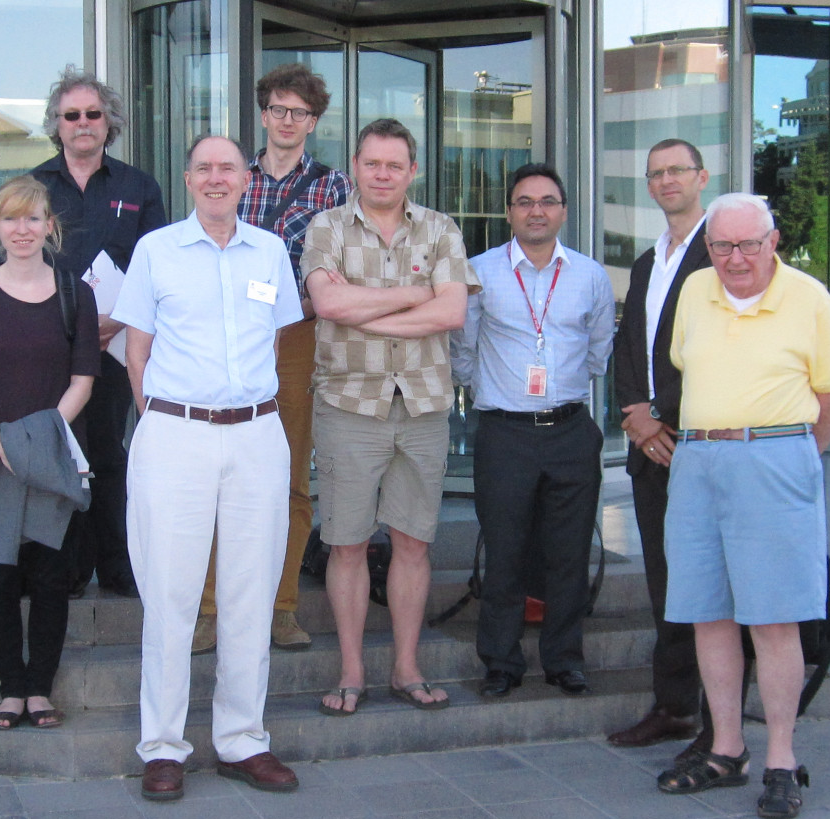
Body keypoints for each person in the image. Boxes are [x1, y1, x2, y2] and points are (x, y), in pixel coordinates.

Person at [117, 135, 304, 801]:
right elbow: (135, 352)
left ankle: (242, 740)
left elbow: (276, 340)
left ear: (246, 179)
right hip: (176, 435)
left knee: (251, 592)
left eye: (229, 167)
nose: (217, 178)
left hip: (256, 435)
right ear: (189, 179)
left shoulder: (272, 251)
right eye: (205, 168)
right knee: (170, 595)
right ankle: (164, 746)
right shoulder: (155, 251)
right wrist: (173, 417)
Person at [655, 193, 830, 819]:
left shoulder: (810, 298)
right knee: (707, 612)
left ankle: (782, 761)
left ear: (774, 241)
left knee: (774, 619)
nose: (734, 258)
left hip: (773, 455)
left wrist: (793, 458)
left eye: (748, 244)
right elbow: (683, 365)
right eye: (721, 246)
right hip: (697, 462)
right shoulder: (695, 291)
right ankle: (728, 749)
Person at [302, 118, 480, 715]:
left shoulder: (441, 229)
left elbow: (452, 312)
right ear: (354, 165)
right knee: (347, 544)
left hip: (424, 404)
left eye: (394, 165)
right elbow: (326, 303)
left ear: (413, 171)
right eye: (372, 163)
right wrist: (414, 295)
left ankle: (407, 667)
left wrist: (364, 311)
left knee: (413, 542)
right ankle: (351, 672)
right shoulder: (325, 227)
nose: (382, 174)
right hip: (349, 403)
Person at [191, 62, 352, 655]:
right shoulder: (233, 176)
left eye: (301, 112)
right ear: (264, 115)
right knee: (216, 480)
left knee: (288, 479)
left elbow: (341, 265)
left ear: (314, 121)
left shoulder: (334, 187)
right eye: (279, 109)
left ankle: (281, 607)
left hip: (298, 337)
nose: (288, 121)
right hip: (223, 338)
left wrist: (310, 297)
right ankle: (210, 609)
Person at [453, 163, 615, 699]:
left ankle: (564, 659)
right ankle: (501, 661)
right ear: (509, 212)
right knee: (505, 551)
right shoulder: (479, 271)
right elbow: (464, 349)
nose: (536, 210)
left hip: (571, 430)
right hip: (505, 434)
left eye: (547, 201)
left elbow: (597, 352)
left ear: (563, 210)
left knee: (569, 551)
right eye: (525, 201)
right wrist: (497, 394)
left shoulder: (591, 275)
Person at [0, 175, 100, 731]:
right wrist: (6, 445)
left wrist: (36, 443)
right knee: (0, 579)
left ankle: (41, 689)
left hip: (55, 463)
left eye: (33, 218)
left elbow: (84, 380)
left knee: (51, 579)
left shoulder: (73, 294)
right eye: (11, 219)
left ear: (49, 227)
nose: (21, 229)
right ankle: (10, 687)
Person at [31, 65, 167, 598]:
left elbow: (157, 267)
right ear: (57, 125)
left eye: (93, 114)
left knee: (110, 453)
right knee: (59, 453)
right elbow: (15, 262)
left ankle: (117, 565)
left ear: (109, 122)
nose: (83, 123)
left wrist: (116, 324)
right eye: (72, 115)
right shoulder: (33, 187)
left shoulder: (139, 186)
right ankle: (63, 569)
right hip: (51, 344)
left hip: (115, 344)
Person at [607, 139, 712, 747]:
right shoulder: (649, 262)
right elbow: (631, 348)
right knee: (665, 580)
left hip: (697, 442)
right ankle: (674, 706)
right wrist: (635, 416)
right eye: (657, 174)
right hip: (652, 448)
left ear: (700, 177)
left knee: (712, 581)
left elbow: (716, 350)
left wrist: (662, 416)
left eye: (677, 170)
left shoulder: (719, 251)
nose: (667, 180)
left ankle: (722, 715)